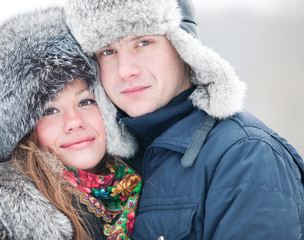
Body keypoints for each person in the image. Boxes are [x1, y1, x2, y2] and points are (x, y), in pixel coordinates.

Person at [63, 0, 304, 239]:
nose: (125, 70)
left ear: (184, 48)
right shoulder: (104, 166)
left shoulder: (246, 156)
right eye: (107, 51)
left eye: (143, 42)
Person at [0, 7, 142, 240]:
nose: (74, 122)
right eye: (49, 110)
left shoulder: (142, 184)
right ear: (24, 131)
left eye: (86, 101)